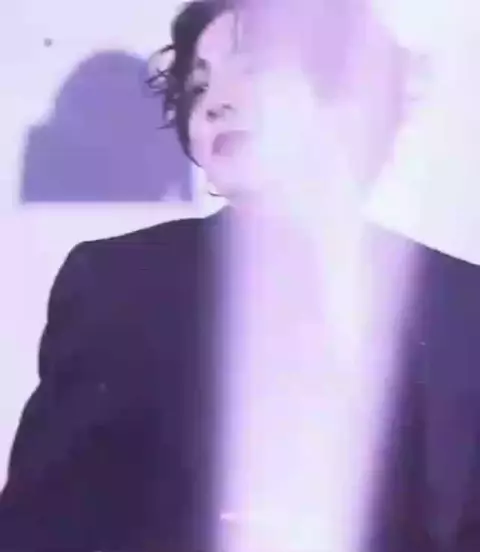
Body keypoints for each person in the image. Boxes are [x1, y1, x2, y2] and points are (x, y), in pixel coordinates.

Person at [0, 1, 479, 551]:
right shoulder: (119, 283)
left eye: (253, 71)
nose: (217, 103)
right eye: (198, 87)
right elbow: (43, 522)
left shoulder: (462, 302)